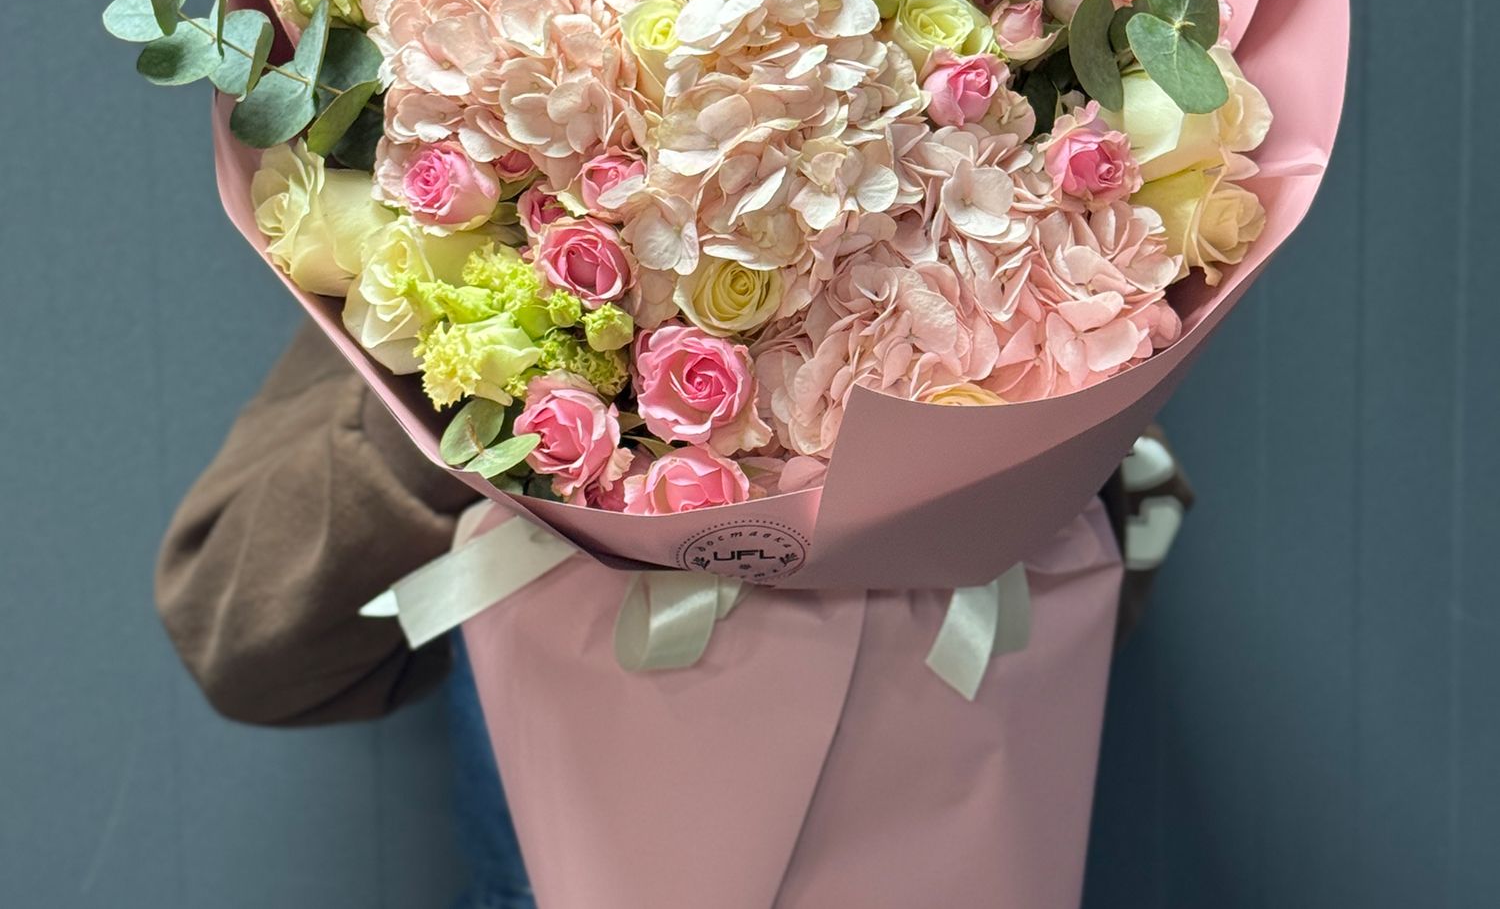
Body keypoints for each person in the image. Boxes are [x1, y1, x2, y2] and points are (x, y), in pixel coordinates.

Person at [157, 326, 1192, 908]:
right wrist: (469, 368)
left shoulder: (1011, 152)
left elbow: (1090, 570)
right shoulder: (451, 177)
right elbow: (239, 638)